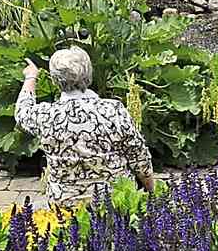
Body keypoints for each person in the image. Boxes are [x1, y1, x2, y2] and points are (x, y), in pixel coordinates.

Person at [15, 46, 155, 206]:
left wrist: (31, 77)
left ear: (55, 80)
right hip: (115, 202)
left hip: (64, 206)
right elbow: (139, 158)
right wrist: (152, 192)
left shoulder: (47, 115)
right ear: (89, 75)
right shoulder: (113, 110)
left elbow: (22, 112)